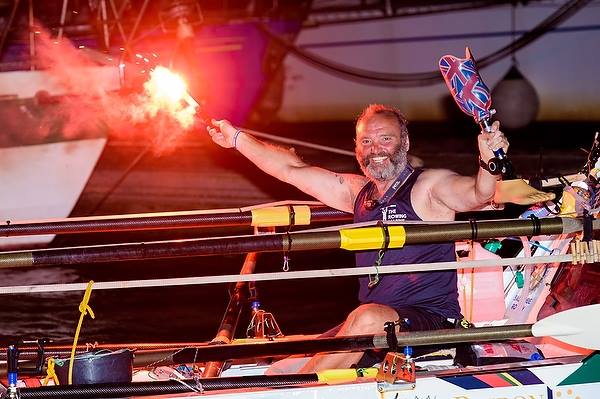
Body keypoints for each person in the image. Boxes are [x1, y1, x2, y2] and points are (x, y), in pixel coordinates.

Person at [206, 104, 508, 372]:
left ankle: (296, 392)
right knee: (279, 368)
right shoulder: (357, 193)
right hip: (373, 327)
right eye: (367, 141)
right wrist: (236, 139)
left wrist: (488, 161)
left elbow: (478, 194)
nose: (375, 149)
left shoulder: (428, 186)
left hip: (428, 324)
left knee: (365, 319)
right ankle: (290, 383)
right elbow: (291, 168)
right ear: (356, 148)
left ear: (405, 142)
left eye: (385, 139)